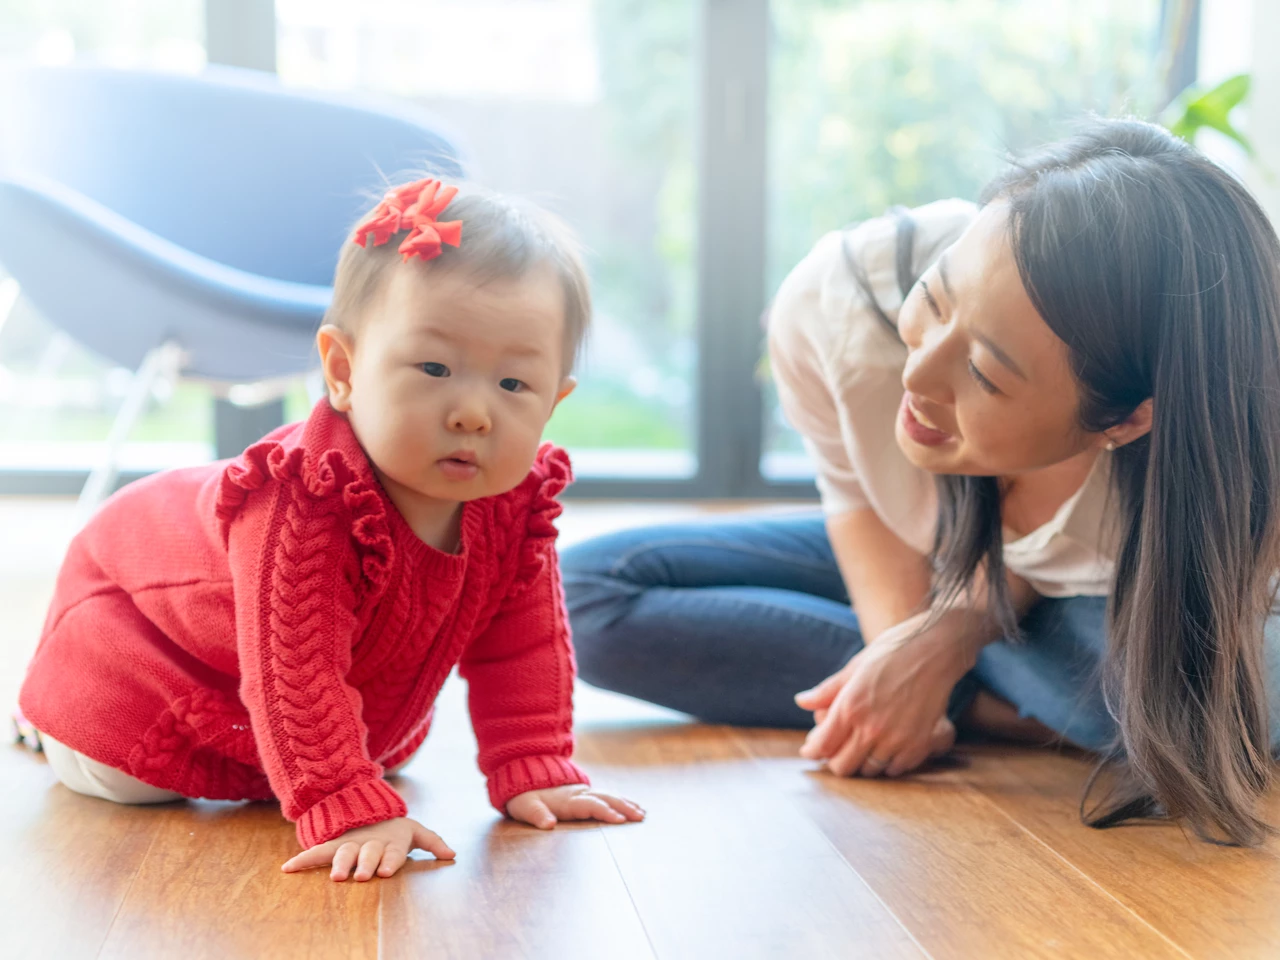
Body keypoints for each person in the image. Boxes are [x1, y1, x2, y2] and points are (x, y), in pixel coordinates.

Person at [562, 118, 1280, 845]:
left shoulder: (1208, 472)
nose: (918, 374)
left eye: (982, 374)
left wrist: (953, 641)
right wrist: (908, 654)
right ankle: (1033, 714)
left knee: (1225, 689)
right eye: (936, 300)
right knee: (582, 597)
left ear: (1124, 421)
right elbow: (856, 500)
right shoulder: (840, 304)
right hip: (946, 563)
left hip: (1120, 589)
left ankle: (1072, 710)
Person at [18, 176, 644, 883]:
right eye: (434, 368)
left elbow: (522, 644)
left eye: (513, 385)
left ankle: (315, 763)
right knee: (125, 771)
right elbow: (295, 669)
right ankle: (45, 724)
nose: (473, 412)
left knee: (386, 753)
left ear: (554, 401)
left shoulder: (513, 503)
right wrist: (346, 803)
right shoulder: (303, 503)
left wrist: (534, 763)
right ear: (343, 372)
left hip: (307, 700)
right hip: (141, 655)